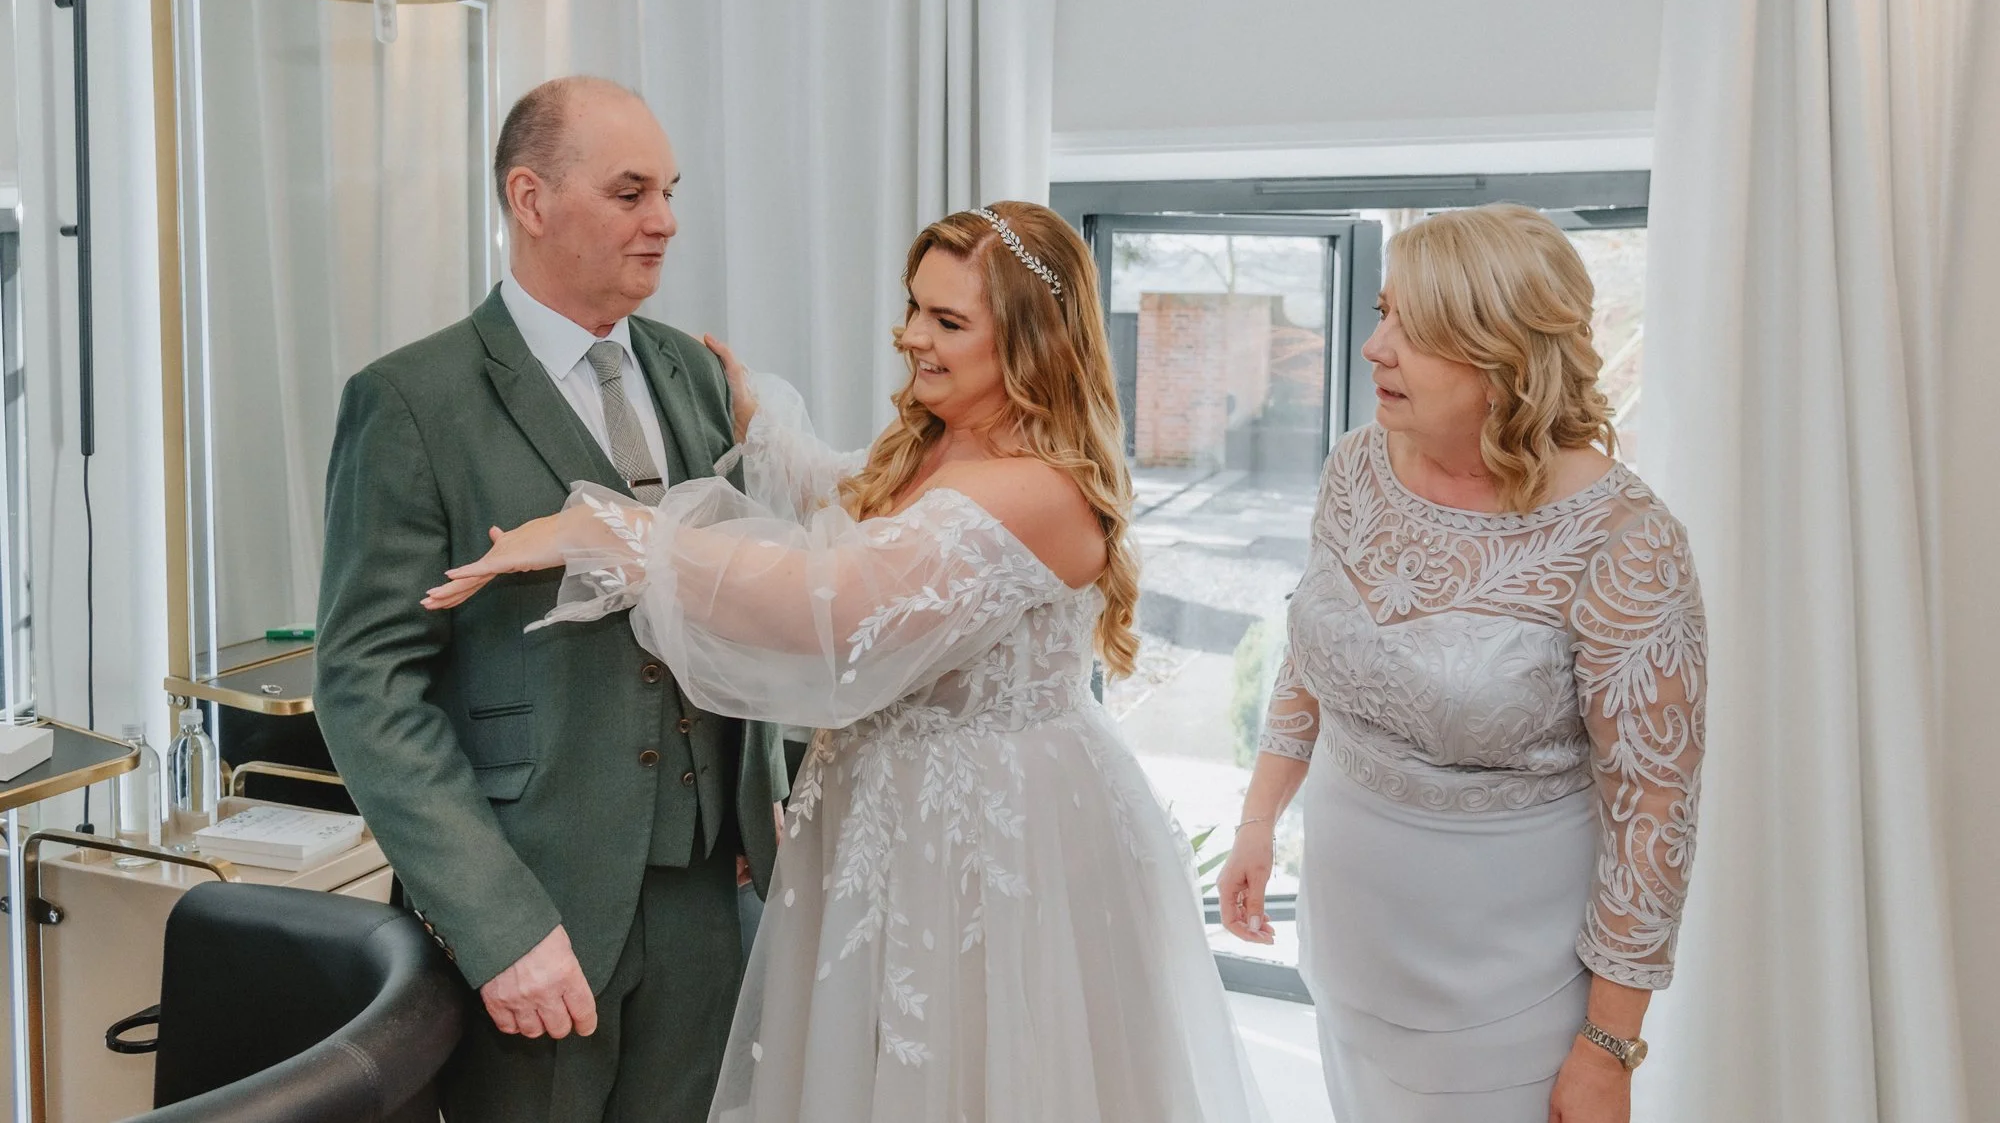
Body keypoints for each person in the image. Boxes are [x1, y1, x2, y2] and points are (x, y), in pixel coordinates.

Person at [424, 202, 1265, 1123]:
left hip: (988, 838)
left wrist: (615, 534)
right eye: (914, 308)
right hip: (883, 814)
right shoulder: (949, 439)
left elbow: (834, 597)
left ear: (1034, 342)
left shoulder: (1039, 489)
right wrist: (760, 422)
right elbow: (852, 495)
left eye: (948, 322)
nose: (912, 337)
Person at [315, 77, 789, 1122]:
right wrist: (498, 927)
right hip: (537, 905)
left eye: (668, 192)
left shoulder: (694, 375)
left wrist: (761, 786)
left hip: (710, 889)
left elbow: (734, 594)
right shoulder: (410, 401)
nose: (663, 221)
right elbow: (365, 687)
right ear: (530, 200)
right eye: (630, 193)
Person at [1215, 204, 1706, 1123]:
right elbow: (1313, 652)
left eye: (1414, 328)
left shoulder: (1625, 541)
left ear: (1504, 360)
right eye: (1381, 311)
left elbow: (1654, 815)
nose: (1374, 347)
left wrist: (1608, 1049)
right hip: (1350, 941)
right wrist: (1258, 820)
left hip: (1501, 989)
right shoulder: (1357, 466)